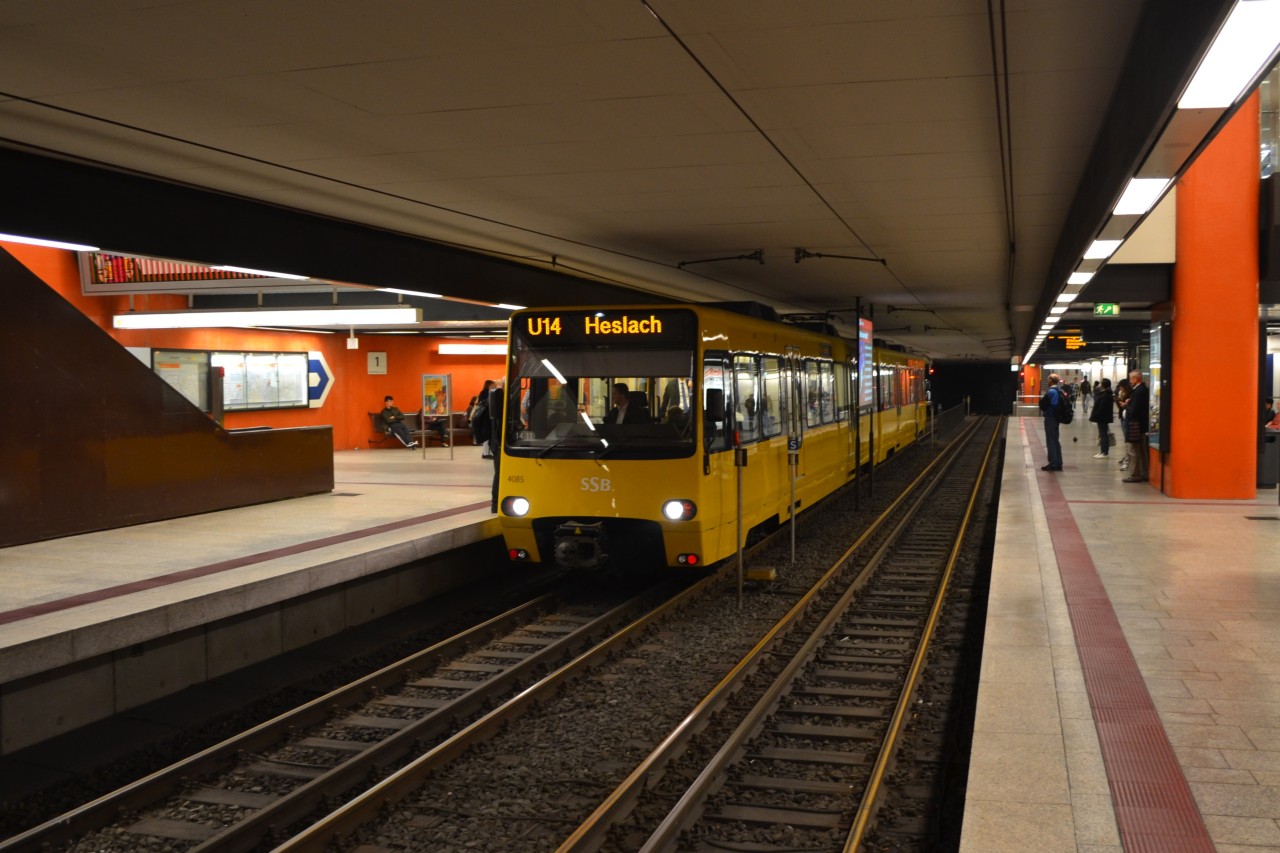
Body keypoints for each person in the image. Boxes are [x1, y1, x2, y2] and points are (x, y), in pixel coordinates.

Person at [1122, 370, 1150, 483]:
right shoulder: (1143, 390)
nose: (1130, 381)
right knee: (1142, 450)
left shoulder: (1139, 391)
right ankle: (1144, 473)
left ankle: (1135, 474)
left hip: (1135, 425)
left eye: (1130, 379)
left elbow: (1134, 411)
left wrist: (1126, 405)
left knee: (1133, 450)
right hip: (1142, 425)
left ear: (1135, 379)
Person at [1037, 373, 1065, 471]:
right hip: (1056, 418)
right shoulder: (1059, 390)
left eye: (1048, 380)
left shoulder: (1051, 392)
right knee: (1055, 440)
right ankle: (1058, 462)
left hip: (1050, 418)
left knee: (1051, 441)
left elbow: (1043, 404)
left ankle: (1053, 463)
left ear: (1050, 380)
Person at [487, 378, 504, 512]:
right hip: (499, 444)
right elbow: (499, 425)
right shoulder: (499, 399)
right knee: (499, 472)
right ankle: (495, 504)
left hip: (496, 443)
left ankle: (496, 503)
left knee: (499, 472)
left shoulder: (495, 398)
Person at [1089, 378, 1114, 458]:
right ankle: (1102, 451)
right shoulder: (1105, 393)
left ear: (1103, 385)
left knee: (1103, 434)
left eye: (1101, 383)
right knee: (1102, 434)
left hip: (1102, 418)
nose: (1099, 385)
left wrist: (1096, 415)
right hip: (1102, 418)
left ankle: (1104, 452)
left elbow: (1102, 408)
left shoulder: (1105, 395)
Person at [470, 379, 495, 457]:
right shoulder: (487, 393)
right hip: (486, 418)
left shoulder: (482, 393)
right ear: (489, 385)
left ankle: (485, 452)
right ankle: (486, 453)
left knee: (486, 435)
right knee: (487, 435)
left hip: (483, 417)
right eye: (493, 385)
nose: (494, 386)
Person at [1114, 378, 1132, 471]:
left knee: (1127, 438)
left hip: (1127, 417)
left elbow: (1127, 405)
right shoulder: (1122, 393)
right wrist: (1117, 400)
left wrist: (1123, 403)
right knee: (1126, 438)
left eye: (1121, 386)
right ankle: (1126, 456)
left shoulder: (1129, 394)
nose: (1120, 388)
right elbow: (1119, 406)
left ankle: (1128, 458)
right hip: (1122, 416)